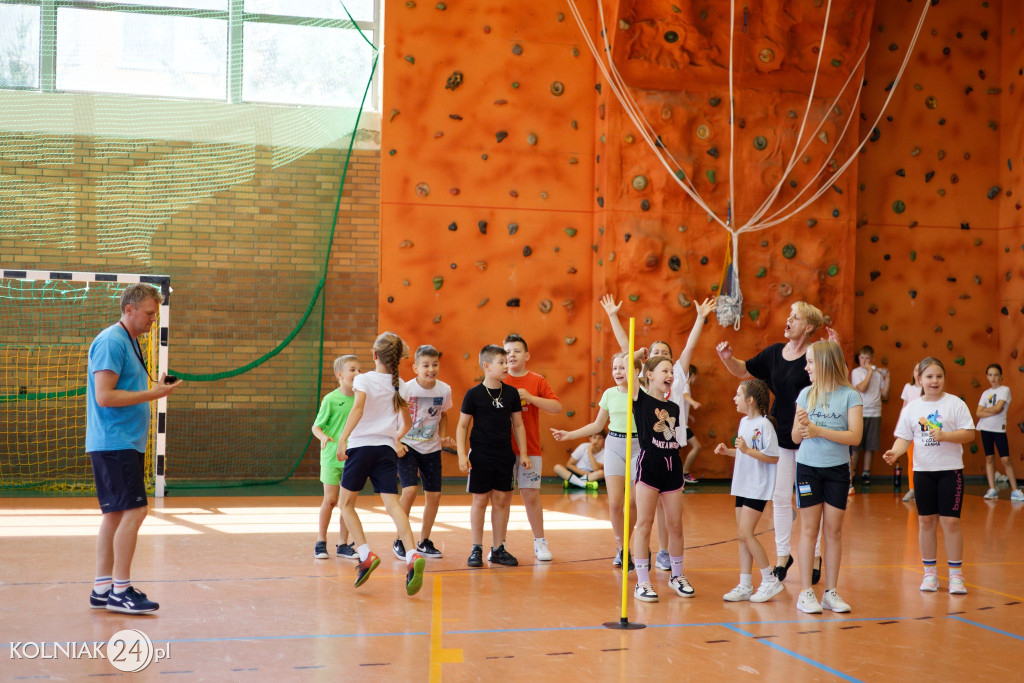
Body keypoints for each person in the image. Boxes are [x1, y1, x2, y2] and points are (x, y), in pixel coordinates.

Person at [716, 301, 834, 583]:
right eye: (789, 315)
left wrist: (833, 352)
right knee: (780, 497)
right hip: (781, 433)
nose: (788, 320)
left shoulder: (815, 356)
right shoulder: (773, 353)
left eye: (795, 317)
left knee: (809, 500)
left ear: (809, 327)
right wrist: (727, 358)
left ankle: (815, 554)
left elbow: (831, 383)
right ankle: (783, 556)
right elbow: (743, 370)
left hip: (810, 435)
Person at [87, 283, 183, 614]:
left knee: (114, 513)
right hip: (115, 442)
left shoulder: (128, 341)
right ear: (129, 310)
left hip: (121, 442)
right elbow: (105, 396)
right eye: (149, 314)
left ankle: (103, 587)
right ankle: (121, 590)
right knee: (135, 511)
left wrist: (155, 388)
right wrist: (154, 395)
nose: (152, 321)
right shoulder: (113, 341)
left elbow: (123, 388)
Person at [631, 298, 716, 602]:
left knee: (675, 524)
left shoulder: (673, 401)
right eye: (663, 367)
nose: (670, 372)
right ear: (649, 373)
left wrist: (701, 318)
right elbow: (628, 363)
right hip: (649, 464)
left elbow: (688, 351)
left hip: (672, 464)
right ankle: (643, 581)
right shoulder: (639, 397)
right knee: (644, 523)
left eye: (671, 367)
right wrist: (633, 353)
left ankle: (677, 576)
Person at [335, 332, 426, 596]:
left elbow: (358, 410)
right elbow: (407, 424)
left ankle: (365, 554)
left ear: (375, 356)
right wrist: (392, 438)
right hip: (386, 450)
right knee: (393, 504)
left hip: (361, 448)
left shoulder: (363, 379)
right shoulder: (403, 386)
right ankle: (411, 555)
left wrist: (343, 440)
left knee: (346, 504)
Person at [883, 357, 976, 594]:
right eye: (929, 376)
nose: (934, 381)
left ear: (944, 378)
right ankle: (930, 574)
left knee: (951, 522)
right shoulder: (912, 408)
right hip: (923, 473)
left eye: (939, 376)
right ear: (920, 379)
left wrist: (946, 436)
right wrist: (894, 452)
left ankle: (956, 576)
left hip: (950, 471)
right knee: (926, 522)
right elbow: (904, 437)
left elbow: (969, 434)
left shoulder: (955, 404)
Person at [792, 340, 862, 614]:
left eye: (810, 362)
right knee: (809, 529)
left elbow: (854, 436)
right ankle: (805, 592)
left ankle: (831, 592)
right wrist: (801, 423)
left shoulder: (850, 396)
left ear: (824, 363)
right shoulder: (806, 394)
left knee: (833, 530)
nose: (806, 367)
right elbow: (795, 437)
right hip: (808, 468)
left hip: (837, 471)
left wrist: (819, 429)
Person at [552, 352, 639, 569]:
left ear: (635, 372)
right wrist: (569, 434)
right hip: (615, 446)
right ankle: (622, 548)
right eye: (615, 368)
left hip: (639, 448)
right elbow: (598, 425)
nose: (618, 372)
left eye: (623, 367)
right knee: (615, 503)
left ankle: (634, 542)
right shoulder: (609, 394)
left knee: (633, 502)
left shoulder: (642, 393)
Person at [458, 344, 530, 567]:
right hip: (480, 455)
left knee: (501, 501)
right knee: (480, 500)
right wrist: (462, 454)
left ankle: (498, 548)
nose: (507, 366)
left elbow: (518, 424)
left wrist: (524, 453)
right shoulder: (473, 394)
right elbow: (462, 426)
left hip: (504, 456)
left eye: (507, 362)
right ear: (486, 366)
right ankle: (476, 547)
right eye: (502, 362)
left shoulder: (510, 394)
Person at [715, 379, 784, 603]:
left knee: (747, 534)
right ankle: (745, 584)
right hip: (743, 484)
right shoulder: (744, 421)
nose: (734, 398)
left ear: (750, 399)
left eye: (738, 395)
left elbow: (773, 457)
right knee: (741, 537)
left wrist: (746, 449)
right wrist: (730, 452)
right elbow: (745, 452)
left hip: (757, 486)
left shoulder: (765, 425)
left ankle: (770, 579)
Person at [502, 334, 562, 561]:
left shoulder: (537, 380)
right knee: (502, 498)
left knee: (530, 496)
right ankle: (500, 544)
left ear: (526, 355)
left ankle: (540, 542)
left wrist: (530, 397)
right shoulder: (499, 379)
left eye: (517, 351)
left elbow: (556, 407)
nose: (512, 355)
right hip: (502, 450)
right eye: (507, 351)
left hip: (530, 449)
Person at [394, 345, 455, 560]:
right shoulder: (406, 390)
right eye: (426, 365)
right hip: (407, 447)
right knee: (409, 491)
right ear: (416, 368)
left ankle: (423, 541)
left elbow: (444, 415)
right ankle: (400, 539)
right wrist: (396, 442)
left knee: (435, 495)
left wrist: (444, 435)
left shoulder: (444, 390)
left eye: (435, 364)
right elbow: (393, 417)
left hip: (431, 448)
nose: (431, 369)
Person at [311, 355, 360, 561]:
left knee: (346, 503)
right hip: (332, 456)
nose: (357, 373)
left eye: (359, 369)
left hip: (353, 456)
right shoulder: (330, 399)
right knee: (330, 500)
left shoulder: (361, 398)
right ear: (340, 375)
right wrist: (323, 437)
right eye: (352, 370)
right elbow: (316, 426)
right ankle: (321, 541)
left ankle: (343, 544)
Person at [976, 363, 1023, 501]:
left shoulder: (1005, 390)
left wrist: (988, 410)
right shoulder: (985, 393)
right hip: (985, 429)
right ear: (987, 377)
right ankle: (992, 489)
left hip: (999, 429)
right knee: (989, 458)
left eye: (996, 375)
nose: (993, 378)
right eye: (990, 375)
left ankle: (1015, 490)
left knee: (1005, 459)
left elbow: (999, 408)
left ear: (1001, 376)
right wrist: (992, 409)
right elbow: (978, 412)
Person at [849, 345, 890, 490]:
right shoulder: (856, 372)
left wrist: (887, 377)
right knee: (855, 447)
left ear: (872, 359)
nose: (865, 361)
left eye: (868, 358)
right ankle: (851, 475)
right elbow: (862, 388)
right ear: (859, 358)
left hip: (875, 413)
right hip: (859, 413)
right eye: (862, 358)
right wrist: (869, 372)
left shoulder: (878, 374)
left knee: (870, 446)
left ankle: (866, 474)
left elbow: (885, 395)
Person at [899, 365, 923, 502]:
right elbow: (904, 408)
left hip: (923, 429)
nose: (918, 372)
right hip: (909, 429)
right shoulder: (908, 387)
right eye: (915, 369)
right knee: (911, 460)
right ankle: (912, 489)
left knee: (924, 459)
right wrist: (900, 428)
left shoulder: (928, 389)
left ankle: (923, 490)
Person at [680, 364, 703, 484]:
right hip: (681, 426)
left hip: (681, 424)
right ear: (692, 375)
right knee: (697, 446)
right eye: (696, 377)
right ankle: (685, 472)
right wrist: (693, 403)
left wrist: (688, 415)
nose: (696, 380)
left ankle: (682, 474)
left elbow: (680, 401)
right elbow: (685, 396)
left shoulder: (679, 385)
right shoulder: (686, 385)